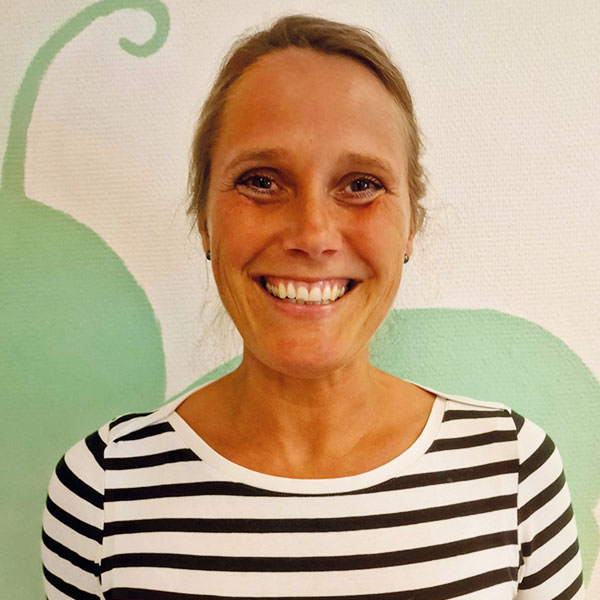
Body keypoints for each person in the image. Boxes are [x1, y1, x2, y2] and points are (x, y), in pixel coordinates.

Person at [42, 15, 584, 599]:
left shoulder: (513, 474)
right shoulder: (103, 491)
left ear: (410, 227)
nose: (313, 234)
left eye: (361, 185)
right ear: (204, 220)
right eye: (261, 181)